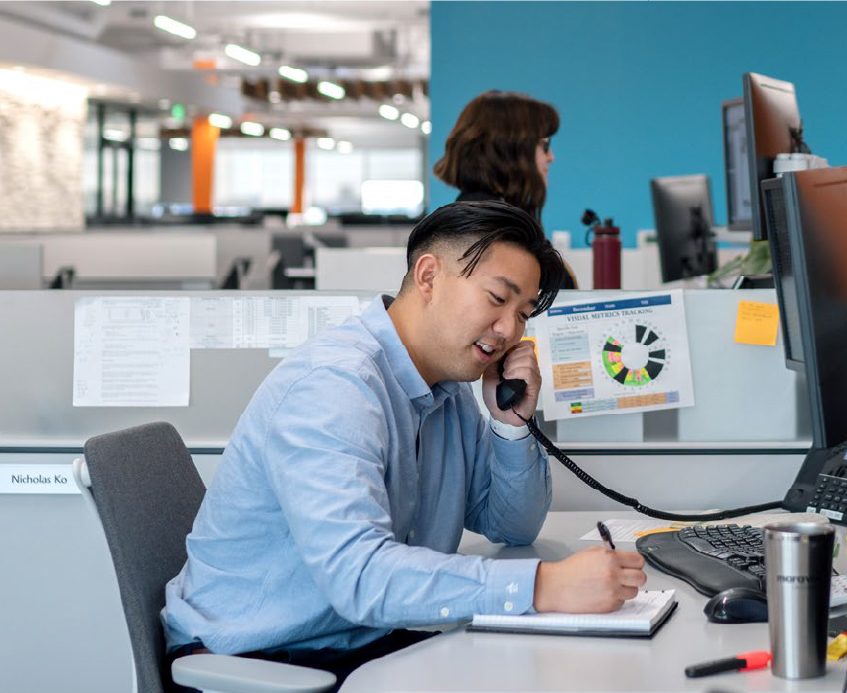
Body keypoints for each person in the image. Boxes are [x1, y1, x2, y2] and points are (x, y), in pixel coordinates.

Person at [161, 201, 646, 685]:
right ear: (429, 276)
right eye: (498, 299)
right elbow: (359, 575)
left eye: (522, 315)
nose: (508, 331)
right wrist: (545, 585)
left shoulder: (447, 390)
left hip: (361, 638)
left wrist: (511, 425)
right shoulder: (334, 387)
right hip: (265, 662)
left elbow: (511, 525)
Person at [433, 90, 578, 288]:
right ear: (510, 150)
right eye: (544, 145)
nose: (550, 157)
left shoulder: (491, 219)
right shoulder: (491, 230)